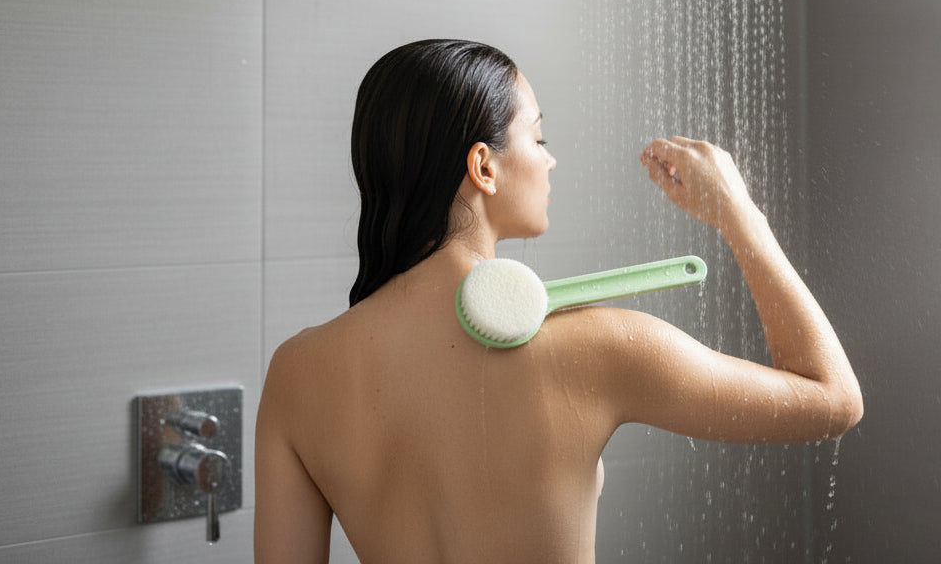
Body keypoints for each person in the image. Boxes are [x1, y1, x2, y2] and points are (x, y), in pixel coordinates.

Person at [254, 39, 862, 564]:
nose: (550, 158)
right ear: (483, 167)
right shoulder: (593, 347)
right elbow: (832, 399)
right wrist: (739, 214)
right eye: (538, 136)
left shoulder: (298, 373)